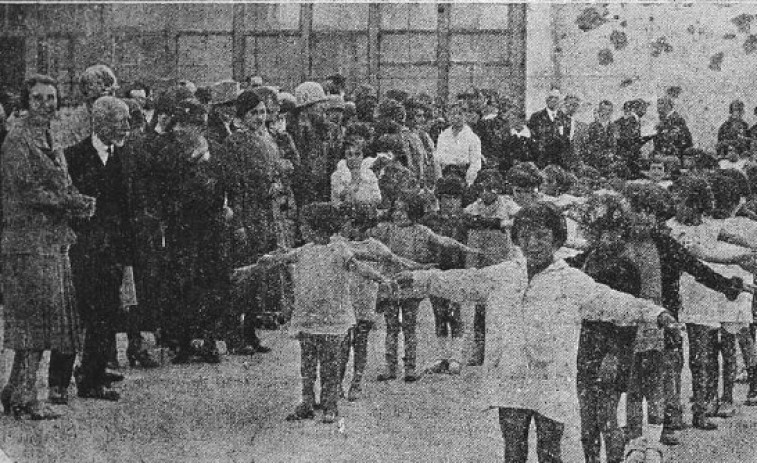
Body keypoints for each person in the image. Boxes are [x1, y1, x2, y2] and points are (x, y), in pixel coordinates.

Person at [397, 202, 678, 463]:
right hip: (511, 374)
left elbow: (612, 301)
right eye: (527, 236)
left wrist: (656, 313)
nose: (534, 244)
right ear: (518, 239)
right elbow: (461, 282)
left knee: (549, 451)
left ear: (557, 240)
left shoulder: (571, 280)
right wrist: (418, 279)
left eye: (542, 236)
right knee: (514, 449)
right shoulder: (504, 274)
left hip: (551, 377)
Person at [233, 202, 394, 424]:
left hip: (332, 318)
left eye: (304, 225)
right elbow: (277, 260)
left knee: (329, 364)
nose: (301, 229)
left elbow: (359, 267)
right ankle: (307, 401)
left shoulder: (339, 250)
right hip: (309, 318)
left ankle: (330, 405)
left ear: (316, 228)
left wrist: (382, 279)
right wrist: (248, 270)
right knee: (307, 365)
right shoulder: (304, 251)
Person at [1, 74, 96, 419]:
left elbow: (60, 182)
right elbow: (25, 192)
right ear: (26, 102)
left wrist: (76, 199)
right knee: (34, 324)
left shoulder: (50, 136)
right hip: (26, 244)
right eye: (38, 98)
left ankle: (15, 389)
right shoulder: (17, 141)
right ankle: (25, 398)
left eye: (51, 97)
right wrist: (68, 203)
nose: (46, 104)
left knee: (43, 322)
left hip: (51, 241)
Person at [54, 96, 134, 402]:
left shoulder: (124, 157)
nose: (127, 126)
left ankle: (93, 377)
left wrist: (126, 254)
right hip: (80, 249)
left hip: (111, 250)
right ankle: (59, 382)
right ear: (100, 123)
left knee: (105, 314)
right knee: (73, 316)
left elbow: (127, 207)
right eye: (121, 120)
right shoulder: (73, 157)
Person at [370, 195, 477, 382]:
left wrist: (465, 249)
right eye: (396, 210)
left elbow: (443, 241)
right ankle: (390, 367)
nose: (398, 214)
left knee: (409, 328)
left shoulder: (422, 231)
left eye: (403, 210)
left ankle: (410, 367)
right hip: (391, 284)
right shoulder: (386, 230)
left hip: (411, 286)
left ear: (413, 212)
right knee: (391, 327)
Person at [156, 99, 230, 364]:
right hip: (182, 228)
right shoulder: (168, 155)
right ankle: (183, 340)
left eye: (184, 124)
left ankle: (208, 337)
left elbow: (225, 186)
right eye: (176, 124)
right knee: (182, 281)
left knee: (211, 280)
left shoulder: (217, 152)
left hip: (211, 227)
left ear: (198, 127)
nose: (177, 130)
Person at [225, 90, 288, 354]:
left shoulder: (267, 139)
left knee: (258, 276)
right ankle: (234, 336)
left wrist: (277, 183)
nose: (260, 118)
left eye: (262, 112)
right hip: (246, 214)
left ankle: (250, 332)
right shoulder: (235, 143)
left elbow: (277, 170)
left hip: (266, 214)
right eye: (254, 113)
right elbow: (234, 185)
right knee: (242, 278)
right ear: (241, 116)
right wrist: (238, 223)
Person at [463, 169, 520, 366]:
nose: (486, 193)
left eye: (491, 188)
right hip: (480, 260)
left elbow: (519, 218)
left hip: (500, 259)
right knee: (480, 309)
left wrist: (500, 223)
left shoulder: (507, 205)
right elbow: (465, 218)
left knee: (501, 308)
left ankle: (500, 352)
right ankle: (479, 351)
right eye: (483, 189)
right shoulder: (473, 207)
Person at [422, 176, 468, 374]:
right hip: (436, 269)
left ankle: (456, 357)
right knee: (439, 314)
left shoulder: (464, 220)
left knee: (455, 313)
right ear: (439, 199)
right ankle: (443, 357)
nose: (450, 203)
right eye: (446, 198)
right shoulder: (430, 221)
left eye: (454, 198)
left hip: (456, 270)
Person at [331, 122, 381, 209]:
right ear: (345, 155)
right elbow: (345, 198)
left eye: (357, 154)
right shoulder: (337, 175)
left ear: (363, 156)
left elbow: (377, 198)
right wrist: (355, 180)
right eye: (349, 154)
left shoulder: (369, 174)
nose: (353, 158)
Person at [434, 100, 482, 187]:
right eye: (453, 114)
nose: (457, 117)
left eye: (460, 113)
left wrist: (468, 182)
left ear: (466, 115)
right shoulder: (443, 136)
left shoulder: (473, 138)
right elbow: (437, 161)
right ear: (448, 116)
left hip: (463, 177)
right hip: (445, 177)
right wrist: (440, 180)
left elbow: (475, 164)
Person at [528, 89, 571, 169]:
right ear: (546, 100)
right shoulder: (536, 117)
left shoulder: (565, 118)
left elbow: (566, 142)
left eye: (556, 98)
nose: (553, 100)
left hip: (560, 163)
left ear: (560, 101)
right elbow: (531, 140)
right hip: (541, 162)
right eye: (550, 97)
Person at [653, 96, 692, 161]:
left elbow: (680, 141)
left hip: (672, 158)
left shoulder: (676, 119)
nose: (658, 107)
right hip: (664, 157)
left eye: (661, 103)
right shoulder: (663, 121)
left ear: (669, 106)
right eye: (658, 104)